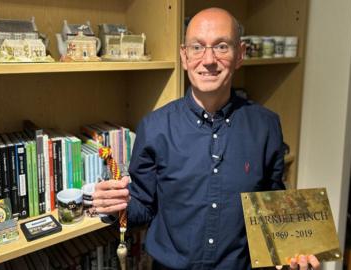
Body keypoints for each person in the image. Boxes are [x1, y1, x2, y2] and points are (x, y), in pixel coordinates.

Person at [93, 7, 320, 270]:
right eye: (197, 47)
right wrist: (115, 207)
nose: (209, 59)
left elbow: (272, 205)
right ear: (184, 55)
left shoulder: (266, 126)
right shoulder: (154, 127)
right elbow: (143, 205)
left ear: (240, 55)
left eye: (222, 47)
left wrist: (292, 252)